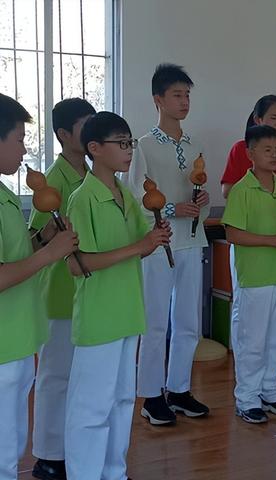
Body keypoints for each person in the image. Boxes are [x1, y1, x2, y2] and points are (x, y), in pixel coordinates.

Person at [65, 111, 171, 479]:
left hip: (128, 312)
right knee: (91, 408)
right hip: (99, 318)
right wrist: (139, 245)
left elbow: (139, 248)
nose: (128, 150)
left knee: (123, 402)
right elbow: (78, 265)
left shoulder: (125, 193)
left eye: (130, 143)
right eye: (121, 143)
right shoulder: (83, 199)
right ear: (95, 149)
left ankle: (114, 472)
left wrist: (154, 241)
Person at [122, 63, 210, 425]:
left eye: (187, 95)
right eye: (177, 95)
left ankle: (179, 389)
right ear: (158, 99)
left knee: (189, 321)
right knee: (156, 321)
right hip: (159, 243)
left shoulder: (194, 145)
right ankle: (150, 395)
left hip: (193, 238)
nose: (184, 101)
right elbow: (134, 197)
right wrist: (173, 207)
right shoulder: (142, 146)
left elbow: (196, 186)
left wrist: (199, 201)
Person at [0, 93, 77, 480]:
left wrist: (44, 238)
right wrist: (52, 255)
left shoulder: (6, 196)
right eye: (17, 138)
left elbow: (13, 255)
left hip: (17, 337)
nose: (24, 149)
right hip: (3, 345)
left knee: (11, 443)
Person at [28, 98, 96, 480]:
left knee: (79, 376)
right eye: (85, 125)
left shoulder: (92, 174)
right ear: (64, 134)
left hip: (87, 290)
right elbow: (37, 239)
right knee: (55, 375)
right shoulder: (52, 180)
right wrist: (52, 231)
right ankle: (48, 454)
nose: (91, 132)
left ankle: (72, 446)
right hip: (57, 292)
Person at [221, 125, 276, 424]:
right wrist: (275, 241)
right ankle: (247, 397)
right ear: (250, 153)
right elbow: (232, 234)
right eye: (267, 150)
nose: (274, 155)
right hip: (255, 276)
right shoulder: (242, 190)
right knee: (252, 340)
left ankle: (271, 390)